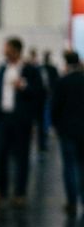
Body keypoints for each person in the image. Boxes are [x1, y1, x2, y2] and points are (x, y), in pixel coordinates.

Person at [0, 37, 42, 207]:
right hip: (3, 118)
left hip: (21, 120)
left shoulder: (30, 70)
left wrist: (23, 86)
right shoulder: (2, 69)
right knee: (1, 156)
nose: (4, 51)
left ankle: (19, 193)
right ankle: (0, 191)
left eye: (7, 48)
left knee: (21, 157)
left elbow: (39, 93)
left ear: (16, 50)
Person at [51, 51, 84, 215]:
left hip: (67, 130)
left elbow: (55, 107)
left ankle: (72, 201)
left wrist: (56, 126)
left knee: (69, 166)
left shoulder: (62, 82)